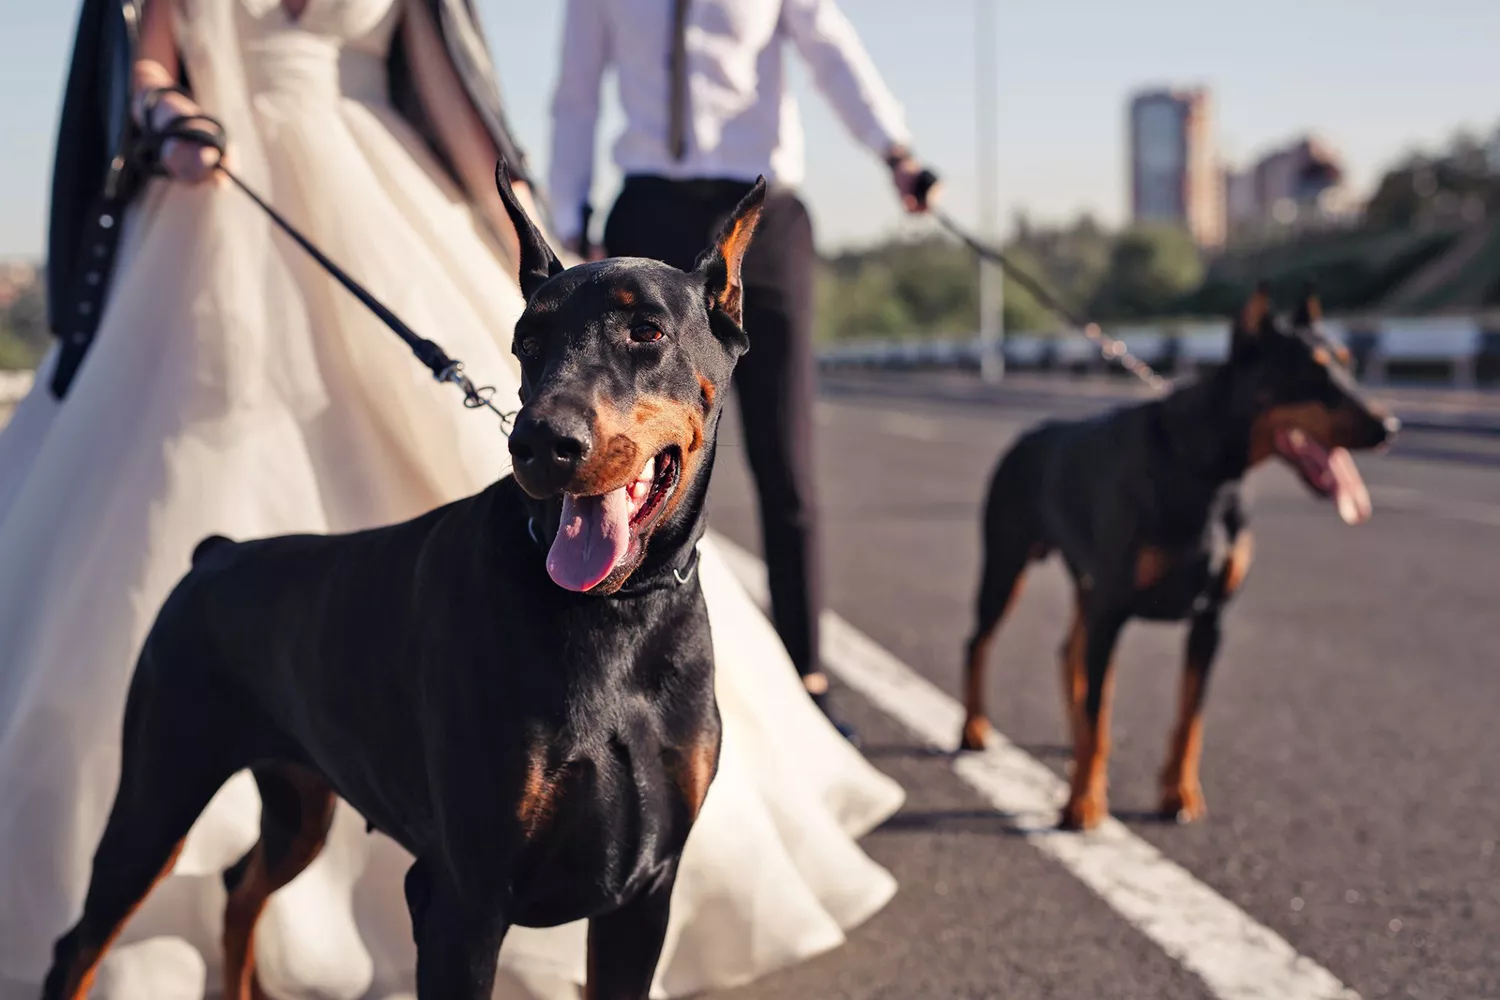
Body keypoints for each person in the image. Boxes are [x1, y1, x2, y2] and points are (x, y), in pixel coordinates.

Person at [0, 1, 903, 998]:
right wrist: (172, 119)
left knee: (609, 863)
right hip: (222, 192)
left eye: (646, 341)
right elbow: (152, 68)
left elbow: (457, 101)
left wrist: (523, 214)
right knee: (261, 843)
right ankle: (74, 971)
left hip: (389, 182)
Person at [549, 0, 939, 740]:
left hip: (760, 215)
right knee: (629, 463)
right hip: (646, 218)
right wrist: (569, 213)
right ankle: (616, 682)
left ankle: (806, 677)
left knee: (786, 464)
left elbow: (831, 53)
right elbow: (575, 93)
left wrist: (896, 153)